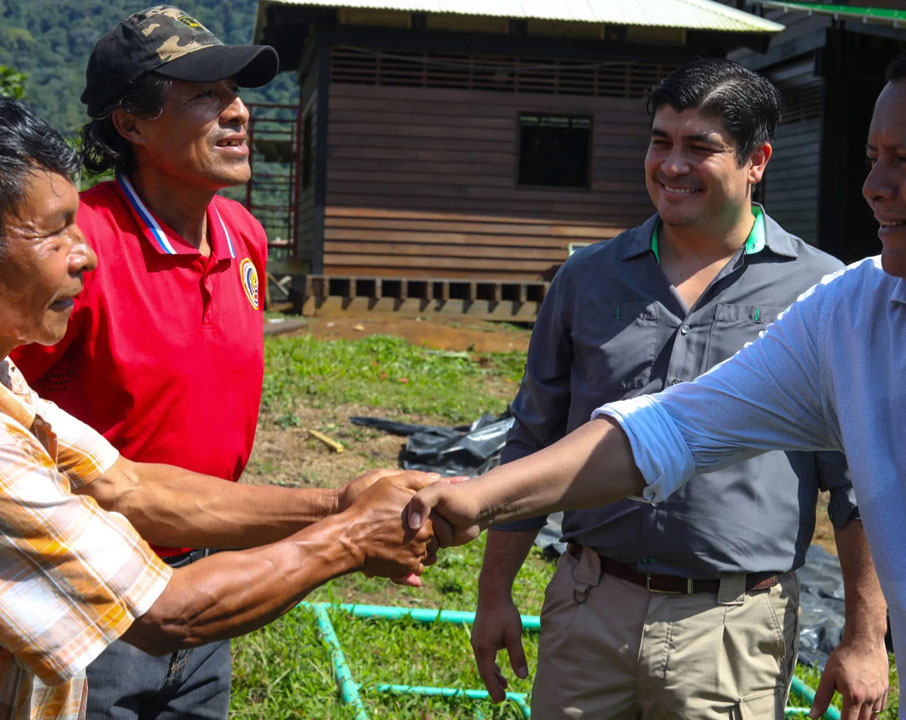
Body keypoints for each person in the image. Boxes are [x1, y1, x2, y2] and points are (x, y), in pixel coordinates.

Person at [409, 53, 906, 720]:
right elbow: (658, 429)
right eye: (660, 142)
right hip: (591, 594)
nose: (672, 166)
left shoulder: (814, 290)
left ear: (756, 161)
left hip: (732, 620)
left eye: (699, 147)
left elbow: (850, 490)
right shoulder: (592, 279)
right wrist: (482, 526)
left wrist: (864, 633)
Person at [8, 5, 419, 717]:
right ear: (129, 124)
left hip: (208, 568)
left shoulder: (245, 238)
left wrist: (340, 504)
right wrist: (348, 528)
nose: (236, 113)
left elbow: (127, 481)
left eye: (236, 93)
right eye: (204, 94)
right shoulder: (76, 247)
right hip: (80, 585)